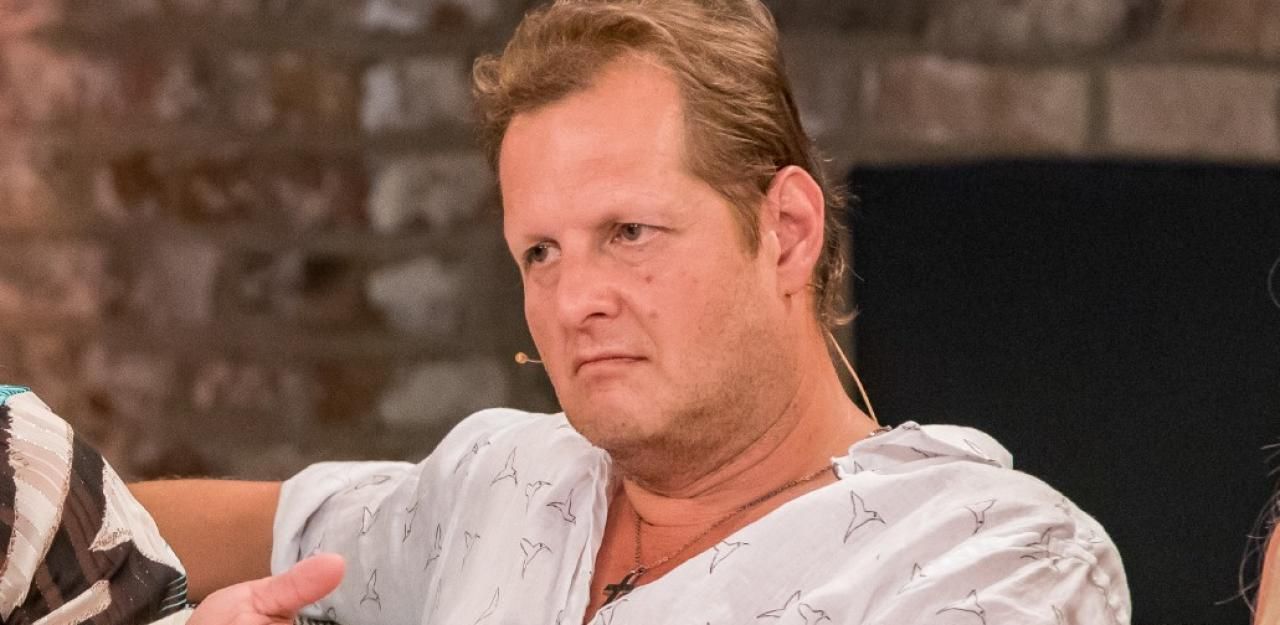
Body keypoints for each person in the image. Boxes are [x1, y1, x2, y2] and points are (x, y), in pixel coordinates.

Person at [130, 1, 1131, 624]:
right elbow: (191, 530)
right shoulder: (498, 482)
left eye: (628, 232)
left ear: (785, 232)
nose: (574, 301)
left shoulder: (992, 559)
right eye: (540, 252)